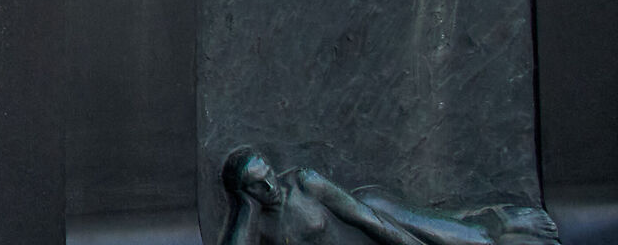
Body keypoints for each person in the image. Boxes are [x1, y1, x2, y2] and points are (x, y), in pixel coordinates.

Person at [218, 146, 559, 245]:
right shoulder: (256, 223)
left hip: (374, 220)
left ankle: (494, 222)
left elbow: (371, 221)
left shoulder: (305, 183)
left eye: (268, 176)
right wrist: (245, 208)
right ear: (244, 193)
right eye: (256, 186)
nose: (269, 187)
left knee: (477, 242)